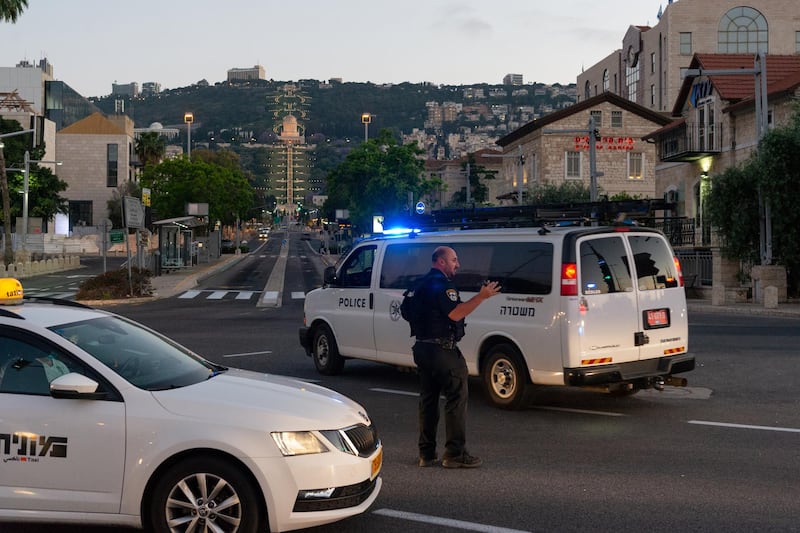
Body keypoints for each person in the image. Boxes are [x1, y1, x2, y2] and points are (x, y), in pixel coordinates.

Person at [410, 246, 501, 468]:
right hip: (443, 351)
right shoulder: (442, 286)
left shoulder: (418, 284)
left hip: (422, 348)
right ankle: (455, 454)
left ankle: (426, 453)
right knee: (456, 398)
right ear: (440, 262)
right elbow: (456, 313)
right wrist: (481, 297)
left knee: (428, 401)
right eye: (453, 260)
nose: (457, 265)